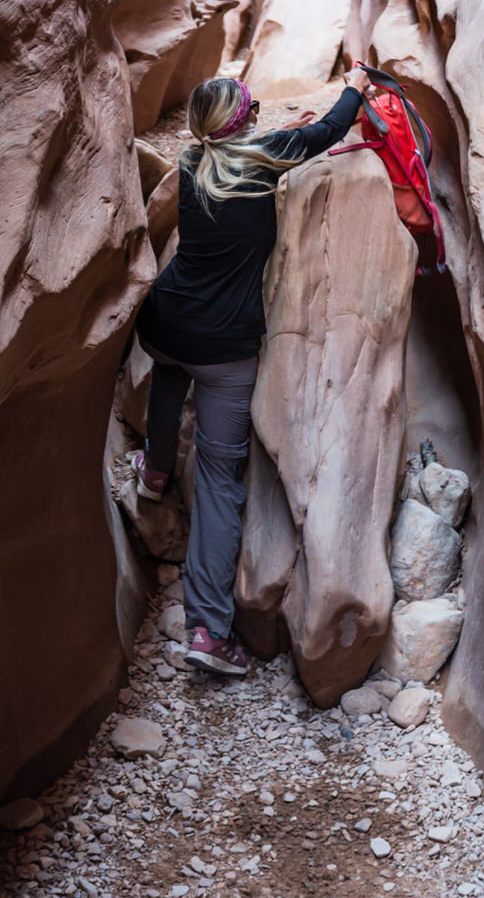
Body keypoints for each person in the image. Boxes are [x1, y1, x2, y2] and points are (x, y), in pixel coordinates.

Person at [134, 65, 375, 675]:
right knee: (219, 481)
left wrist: (276, 134)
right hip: (226, 351)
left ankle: (156, 469)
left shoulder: (192, 163)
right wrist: (356, 85)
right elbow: (330, 131)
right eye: (252, 106)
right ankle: (210, 632)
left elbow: (267, 144)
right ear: (243, 123)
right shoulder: (267, 158)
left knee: (166, 371)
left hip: (165, 322)